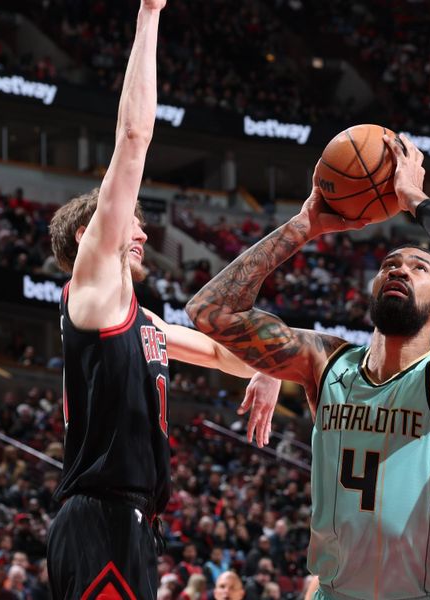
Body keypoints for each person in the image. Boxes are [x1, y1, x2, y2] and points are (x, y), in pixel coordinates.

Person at [186, 135, 430, 599]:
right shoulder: (325, 361)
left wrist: (416, 200)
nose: (398, 269)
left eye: (418, 268)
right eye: (390, 264)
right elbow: (210, 310)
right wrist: (303, 226)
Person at [44, 2, 279, 598]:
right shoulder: (95, 285)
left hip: (129, 521)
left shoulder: (140, 322)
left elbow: (225, 354)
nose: (143, 232)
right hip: (98, 515)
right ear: (89, 235)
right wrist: (149, 12)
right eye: (134, 222)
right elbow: (133, 137)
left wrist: (268, 368)